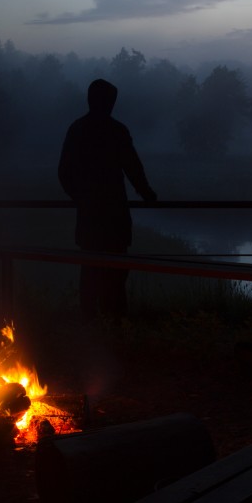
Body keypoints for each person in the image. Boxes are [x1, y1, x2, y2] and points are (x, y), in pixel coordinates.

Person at [58, 79, 157, 322]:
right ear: (109, 102)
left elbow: (64, 172)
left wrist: (80, 198)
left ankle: (90, 329)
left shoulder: (77, 129)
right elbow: (133, 168)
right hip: (115, 217)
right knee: (116, 275)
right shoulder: (117, 131)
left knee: (90, 272)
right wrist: (147, 195)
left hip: (89, 217)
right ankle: (115, 329)